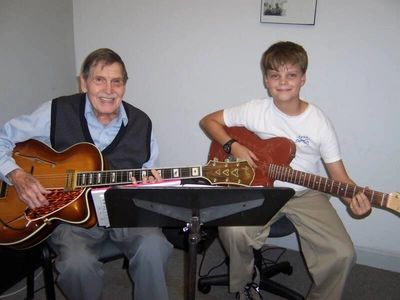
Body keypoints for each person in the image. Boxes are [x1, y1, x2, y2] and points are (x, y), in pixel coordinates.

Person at [199, 41, 372, 300]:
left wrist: (356, 202)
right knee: (232, 230)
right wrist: (233, 146)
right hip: (260, 190)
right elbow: (208, 121)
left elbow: (340, 179)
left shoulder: (318, 123)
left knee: (342, 252)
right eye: (275, 75)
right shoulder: (255, 110)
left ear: (303, 79)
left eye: (291, 75)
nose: (283, 82)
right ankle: (245, 283)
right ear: (266, 81)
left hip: (306, 193)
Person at [0, 48, 173, 300]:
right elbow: (3, 138)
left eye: (117, 81)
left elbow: (147, 172)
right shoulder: (56, 111)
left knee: (155, 247)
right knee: (75, 264)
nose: (109, 90)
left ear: (125, 85)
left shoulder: (141, 122)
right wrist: (17, 175)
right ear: (84, 83)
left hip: (122, 212)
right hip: (70, 217)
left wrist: (150, 186)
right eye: (99, 80)